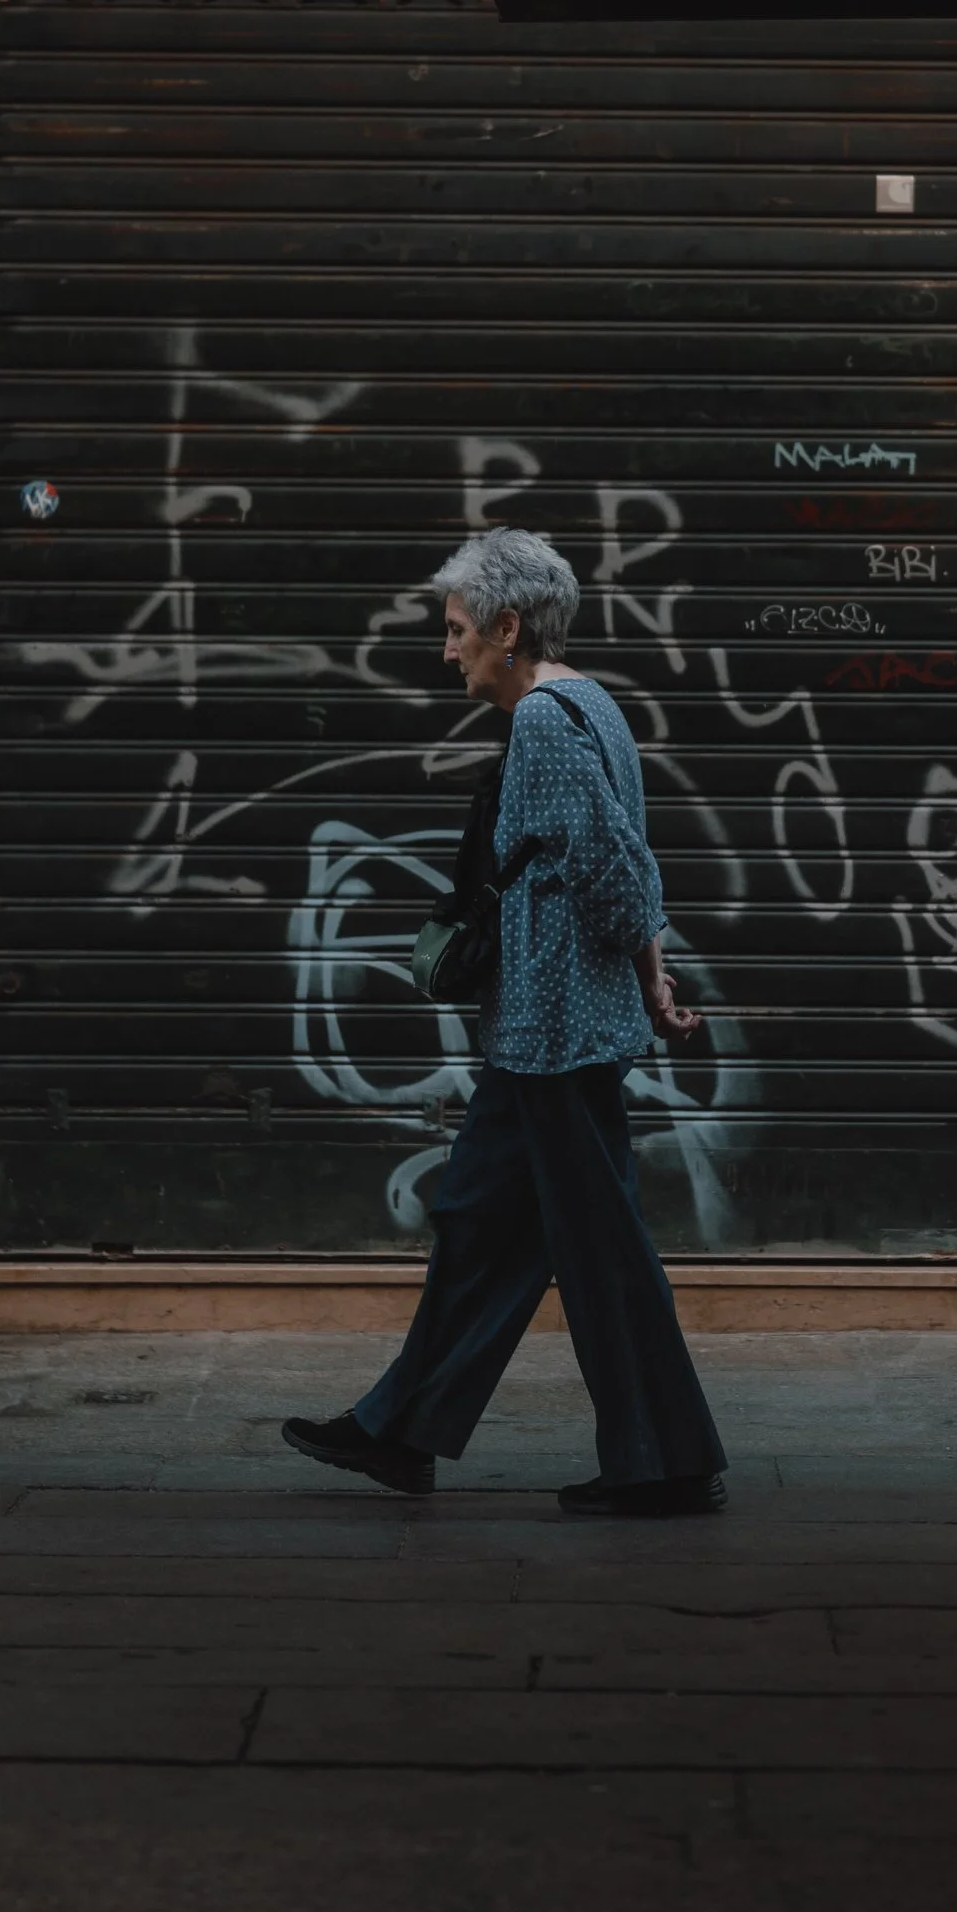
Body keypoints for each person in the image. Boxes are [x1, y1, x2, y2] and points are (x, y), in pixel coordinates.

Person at [283, 527, 728, 1516]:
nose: (448, 650)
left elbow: (613, 867)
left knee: (601, 1248)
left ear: (508, 626)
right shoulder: (597, 705)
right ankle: (400, 1428)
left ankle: (664, 1460)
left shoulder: (545, 720)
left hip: (555, 1035)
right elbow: (633, 856)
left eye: (455, 630)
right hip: (540, 1032)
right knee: (478, 1223)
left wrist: (639, 971)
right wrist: (652, 979)